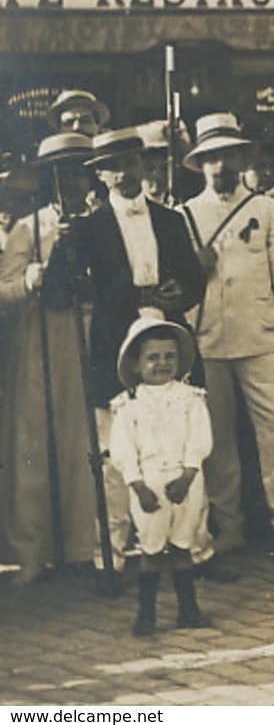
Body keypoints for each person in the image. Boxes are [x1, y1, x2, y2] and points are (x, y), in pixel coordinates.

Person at [43, 127, 204, 575]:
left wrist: (180, 291)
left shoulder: (170, 219)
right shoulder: (88, 230)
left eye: (133, 162)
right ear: (102, 176)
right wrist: (64, 245)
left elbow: (194, 279)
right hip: (116, 351)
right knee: (117, 456)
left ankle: (188, 550)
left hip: (170, 344)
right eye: (115, 167)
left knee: (179, 447)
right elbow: (58, 292)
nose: (127, 173)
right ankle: (110, 557)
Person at [179, 113, 274, 561]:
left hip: (264, 338)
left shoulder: (266, 210)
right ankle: (230, 526)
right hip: (207, 341)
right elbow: (175, 288)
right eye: (211, 158)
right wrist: (191, 270)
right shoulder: (184, 215)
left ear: (241, 159)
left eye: (227, 156)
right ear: (200, 164)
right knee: (216, 440)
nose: (220, 166)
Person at [0, 134, 103, 584]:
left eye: (80, 172)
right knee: (32, 441)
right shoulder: (29, 227)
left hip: (85, 336)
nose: (72, 182)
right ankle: (31, 552)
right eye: (63, 174)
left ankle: (83, 546)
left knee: (82, 442)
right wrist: (29, 279)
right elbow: (3, 291)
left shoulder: (103, 222)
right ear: (50, 178)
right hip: (39, 337)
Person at [107, 318, 212, 636]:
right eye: (153, 358)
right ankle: (146, 614)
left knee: (182, 544)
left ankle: (188, 609)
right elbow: (122, 449)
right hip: (148, 484)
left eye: (169, 356)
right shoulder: (128, 406)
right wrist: (138, 487)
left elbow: (200, 439)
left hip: (186, 480)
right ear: (137, 365)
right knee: (150, 548)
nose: (162, 363)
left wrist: (188, 475)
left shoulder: (191, 399)